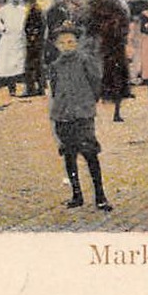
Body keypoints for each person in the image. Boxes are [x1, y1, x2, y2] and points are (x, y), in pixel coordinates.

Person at [47, 22, 111, 212]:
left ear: (77, 43)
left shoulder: (85, 60)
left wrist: (87, 103)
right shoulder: (55, 66)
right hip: (63, 116)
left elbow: (96, 83)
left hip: (82, 115)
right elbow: (54, 89)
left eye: (71, 42)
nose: (67, 46)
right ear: (57, 45)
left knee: (90, 154)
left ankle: (100, 196)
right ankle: (77, 195)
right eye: (63, 43)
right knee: (69, 154)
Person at [87, 0, 132, 122]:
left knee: (101, 78)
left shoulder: (99, 11)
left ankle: (102, 109)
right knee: (116, 80)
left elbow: (91, 29)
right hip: (115, 51)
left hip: (105, 50)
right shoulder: (119, 13)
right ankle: (116, 112)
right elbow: (124, 31)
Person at [0, 0, 28, 96]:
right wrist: (2, 28)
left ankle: (23, 88)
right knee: (9, 66)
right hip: (8, 40)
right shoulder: (4, 10)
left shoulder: (23, 9)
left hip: (20, 39)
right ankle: (12, 89)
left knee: (20, 64)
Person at [22, 0, 47, 98]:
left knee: (31, 66)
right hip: (36, 42)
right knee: (37, 65)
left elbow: (39, 26)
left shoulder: (35, 11)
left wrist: (32, 35)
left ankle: (32, 89)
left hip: (35, 42)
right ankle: (38, 88)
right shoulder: (36, 10)